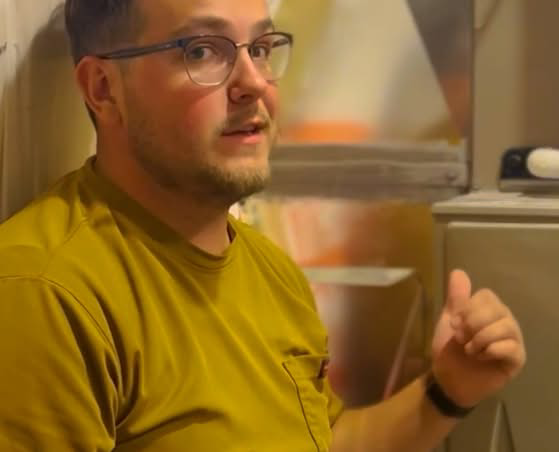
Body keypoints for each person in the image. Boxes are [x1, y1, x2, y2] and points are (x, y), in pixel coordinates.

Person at [0, 0, 526, 451]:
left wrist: (447, 389)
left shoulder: (268, 267)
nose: (253, 83)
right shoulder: (47, 294)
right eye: (202, 51)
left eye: (260, 48)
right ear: (103, 88)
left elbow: (323, 438)